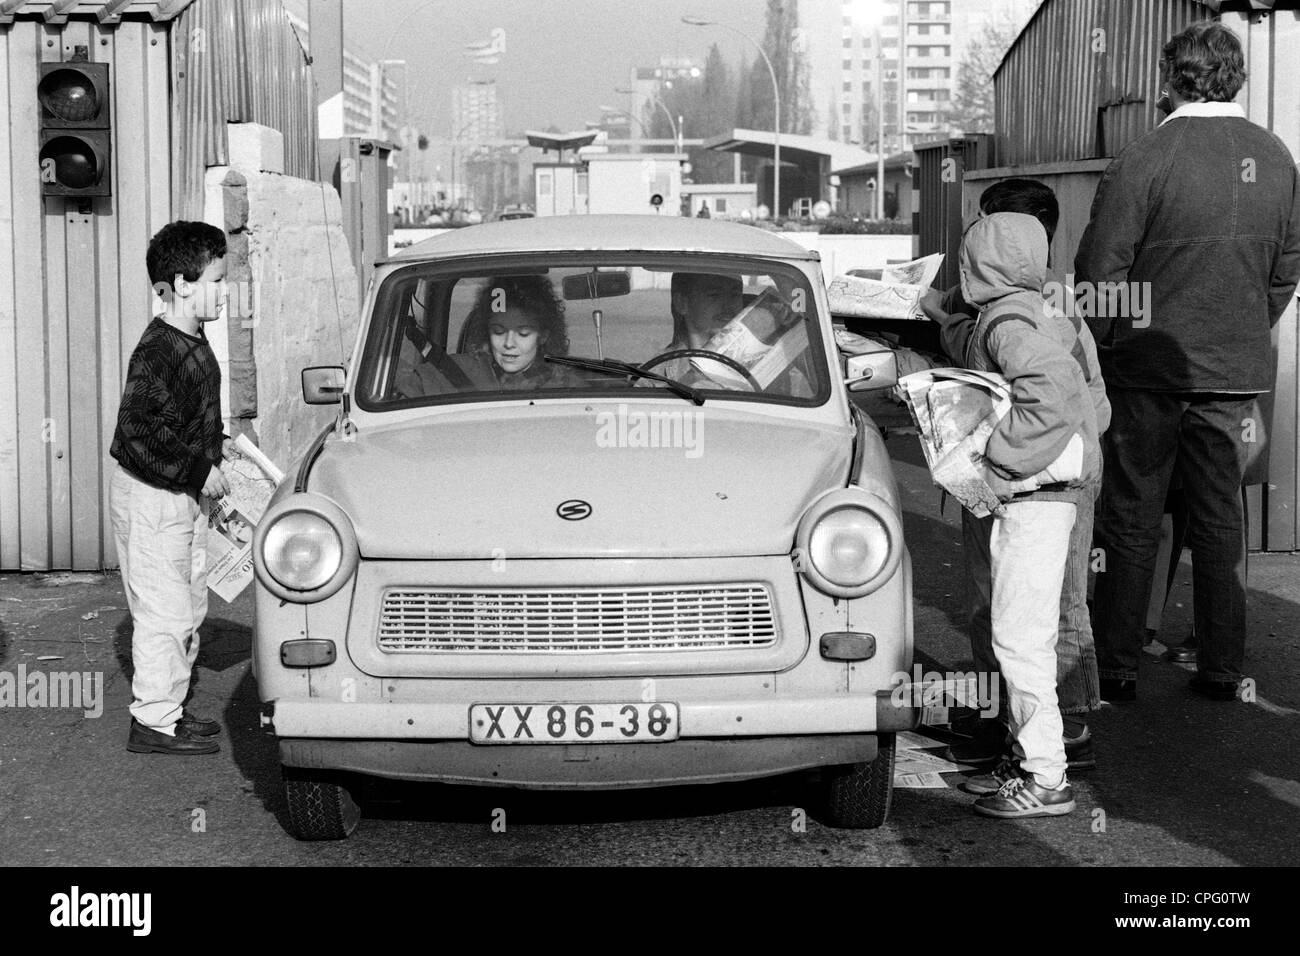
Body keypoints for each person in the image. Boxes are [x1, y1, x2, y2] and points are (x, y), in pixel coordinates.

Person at [1074, 21, 1300, 702]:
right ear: (1234, 76)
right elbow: (1284, 271)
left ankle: (1115, 666)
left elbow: (1099, 271)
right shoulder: (1275, 157)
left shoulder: (1148, 157)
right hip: (1232, 371)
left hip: (1147, 371)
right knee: (1220, 520)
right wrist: (1240, 330)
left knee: (1131, 516)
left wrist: (1111, 346)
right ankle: (1223, 670)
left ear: (1171, 77)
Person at [922, 179, 1109, 771]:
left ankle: (1063, 729)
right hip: (1041, 469)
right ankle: (1008, 721)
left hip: (1042, 476)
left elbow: (1057, 391)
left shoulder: (1028, 310)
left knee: (1054, 606)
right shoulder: (1009, 301)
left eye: (983, 227)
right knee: (997, 604)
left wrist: (1001, 460)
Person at [111, 221, 235, 756]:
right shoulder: (158, 348)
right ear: (181, 284)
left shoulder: (193, 338)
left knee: (187, 603)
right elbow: (137, 429)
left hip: (179, 493)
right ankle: (153, 722)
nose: (225, 290)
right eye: (215, 280)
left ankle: (170, 709)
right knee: (164, 612)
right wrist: (196, 469)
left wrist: (220, 445)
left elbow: (182, 416)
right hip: (153, 497)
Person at [461, 274, 578, 390]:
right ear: (486, 332)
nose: (508, 343)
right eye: (498, 331)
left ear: (543, 336)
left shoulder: (567, 388)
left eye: (523, 333)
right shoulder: (462, 378)